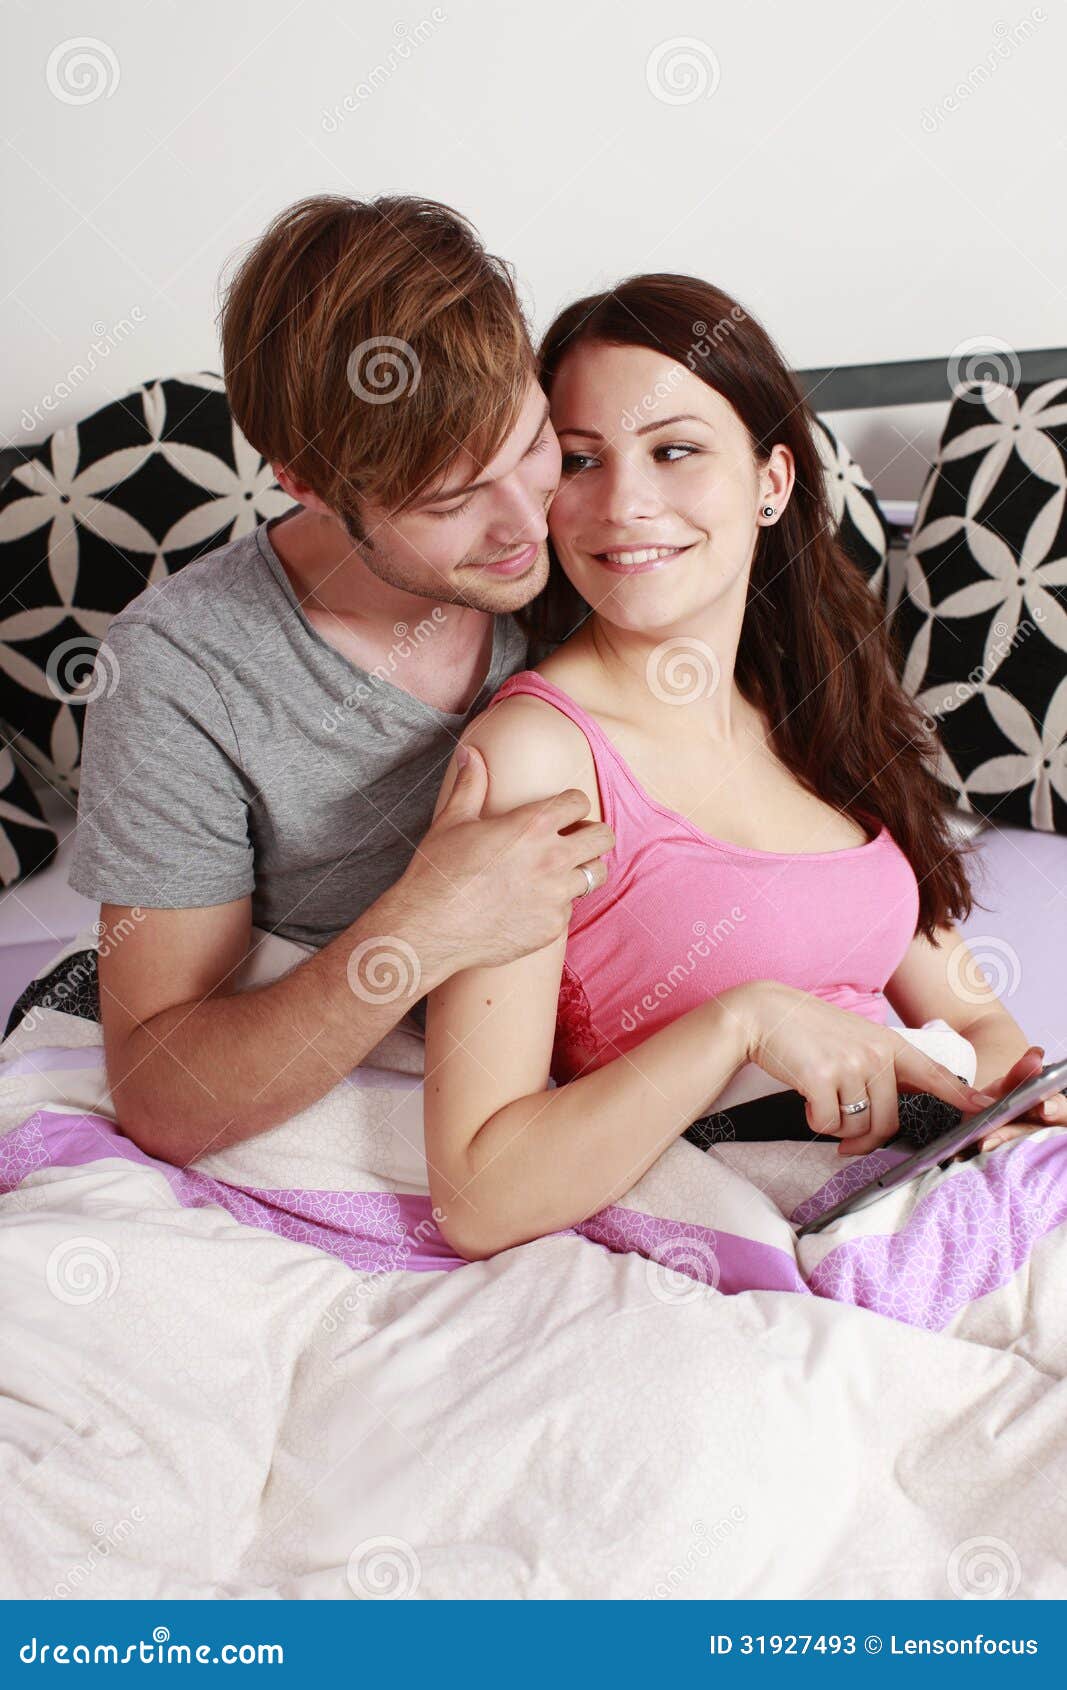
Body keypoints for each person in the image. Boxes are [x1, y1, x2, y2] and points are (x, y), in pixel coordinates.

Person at [422, 273, 1066, 1262]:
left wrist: (997, 1107)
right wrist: (741, 1023)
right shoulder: (537, 756)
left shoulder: (812, 714)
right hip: (790, 1231)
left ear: (770, 481)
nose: (621, 504)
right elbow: (478, 1192)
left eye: (672, 450)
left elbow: (974, 1015)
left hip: (948, 1193)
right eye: (580, 461)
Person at [66, 194, 614, 1164]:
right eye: (450, 499)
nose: (526, 526)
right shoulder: (182, 671)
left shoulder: (597, 524)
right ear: (305, 482)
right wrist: (424, 925)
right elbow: (164, 1094)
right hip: (376, 1087)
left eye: (528, 442)